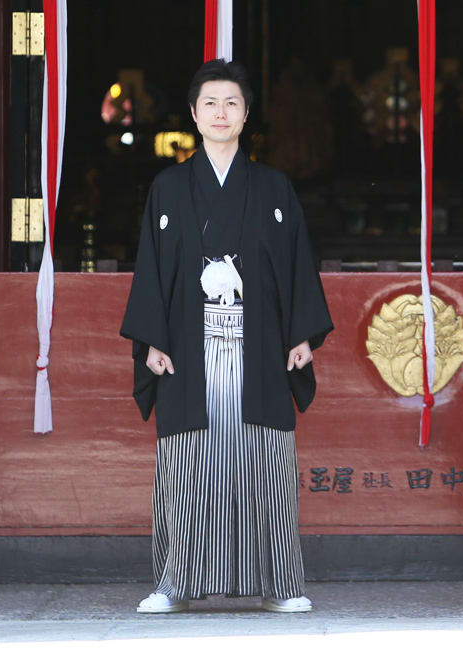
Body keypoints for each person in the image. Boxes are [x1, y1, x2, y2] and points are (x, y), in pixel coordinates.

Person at [120, 58, 334, 614]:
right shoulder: (168, 189)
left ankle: (280, 582)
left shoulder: (273, 187)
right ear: (193, 114)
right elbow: (151, 270)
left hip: (259, 346)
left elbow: (294, 265)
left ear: (246, 115)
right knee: (187, 468)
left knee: (263, 462)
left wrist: (302, 333)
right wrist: (153, 340)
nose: (221, 112)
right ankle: (173, 582)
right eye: (210, 103)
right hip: (189, 349)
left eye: (232, 103)